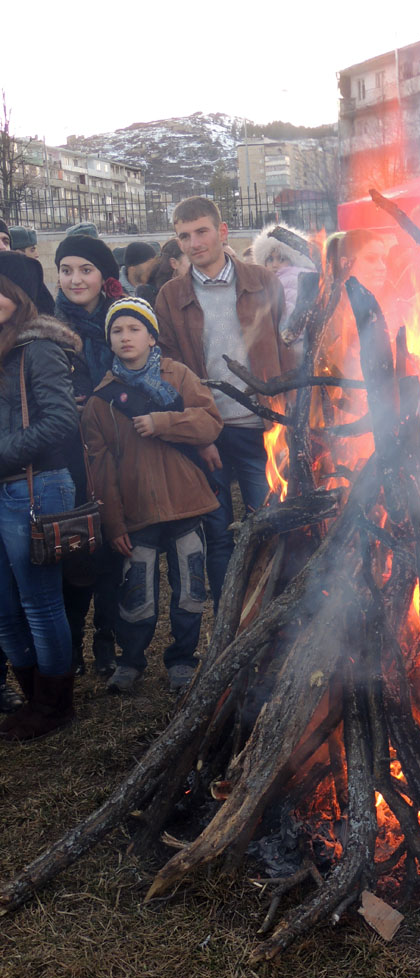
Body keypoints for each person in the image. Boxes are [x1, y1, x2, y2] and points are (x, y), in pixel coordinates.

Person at [155, 196, 292, 609]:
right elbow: (169, 370)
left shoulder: (261, 281)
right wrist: (198, 434)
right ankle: (228, 618)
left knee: (270, 524)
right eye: (184, 236)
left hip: (260, 428)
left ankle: (267, 613)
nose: (194, 243)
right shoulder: (171, 295)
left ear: (222, 231)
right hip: (209, 431)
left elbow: (285, 351)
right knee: (217, 534)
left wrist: (284, 414)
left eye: (201, 232)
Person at [81, 298, 223, 692]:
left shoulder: (179, 377)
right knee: (137, 592)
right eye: (117, 330)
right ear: (108, 339)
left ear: (151, 335)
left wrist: (163, 422)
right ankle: (131, 661)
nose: (125, 337)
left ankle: (182, 659)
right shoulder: (101, 400)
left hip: (186, 502)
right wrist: (113, 523)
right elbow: (101, 469)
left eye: (134, 329)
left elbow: (210, 422)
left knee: (191, 590)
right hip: (137, 510)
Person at [0, 253, 80, 741]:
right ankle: (33, 698)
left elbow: (60, 422)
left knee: (40, 604)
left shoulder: (38, 348)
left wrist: (2, 454)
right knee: (4, 608)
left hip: (34, 488)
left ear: (20, 293)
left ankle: (54, 706)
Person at [55, 233, 125, 675]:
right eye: (66, 270)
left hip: (121, 447)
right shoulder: (47, 325)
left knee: (116, 547)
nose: (75, 279)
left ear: (104, 276)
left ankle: (107, 638)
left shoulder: (125, 318)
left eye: (85, 270)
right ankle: (74, 638)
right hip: (70, 453)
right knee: (75, 547)